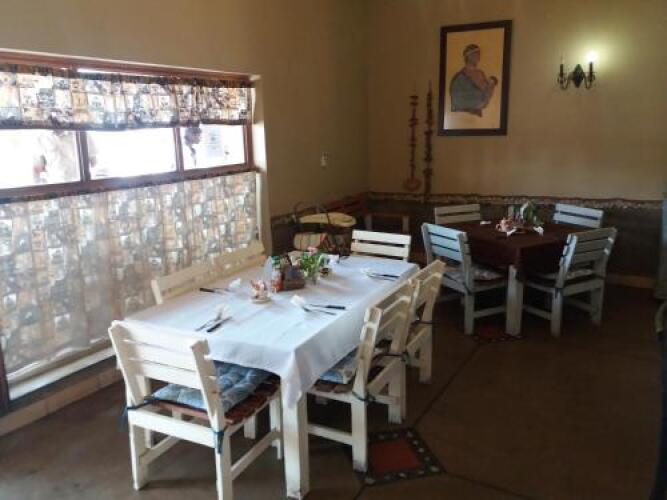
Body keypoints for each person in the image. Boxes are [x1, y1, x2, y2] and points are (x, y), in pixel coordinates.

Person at [449, 44, 498, 117]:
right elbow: (456, 100)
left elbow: (486, 95)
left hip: (478, 116)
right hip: (463, 116)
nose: (478, 57)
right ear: (468, 56)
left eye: (479, 54)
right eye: (475, 54)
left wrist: (491, 85)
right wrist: (477, 103)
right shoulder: (459, 77)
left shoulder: (480, 73)